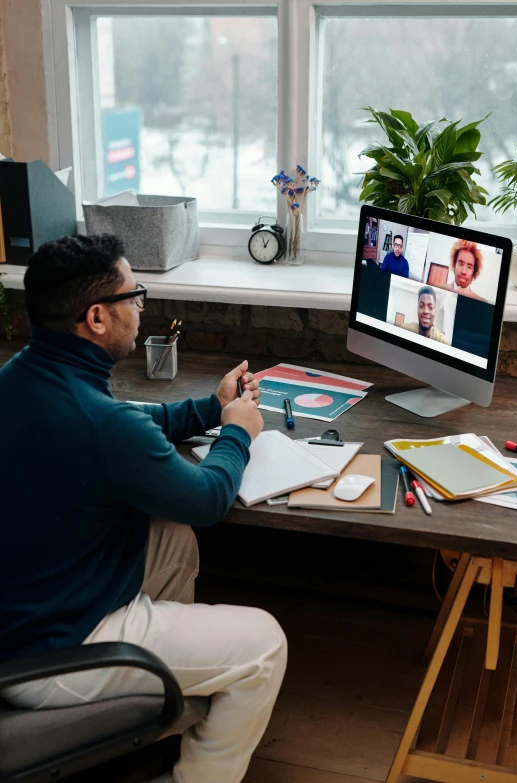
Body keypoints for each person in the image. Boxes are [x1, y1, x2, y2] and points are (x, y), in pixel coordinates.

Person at [0, 234, 287, 783]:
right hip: (50, 651)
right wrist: (238, 433)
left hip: (25, 608)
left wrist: (212, 407)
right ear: (98, 318)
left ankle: (165, 698)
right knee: (265, 645)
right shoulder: (102, 425)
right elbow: (206, 499)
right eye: (135, 296)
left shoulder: (23, 378)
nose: (141, 306)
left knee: (169, 532)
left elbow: (124, 422)